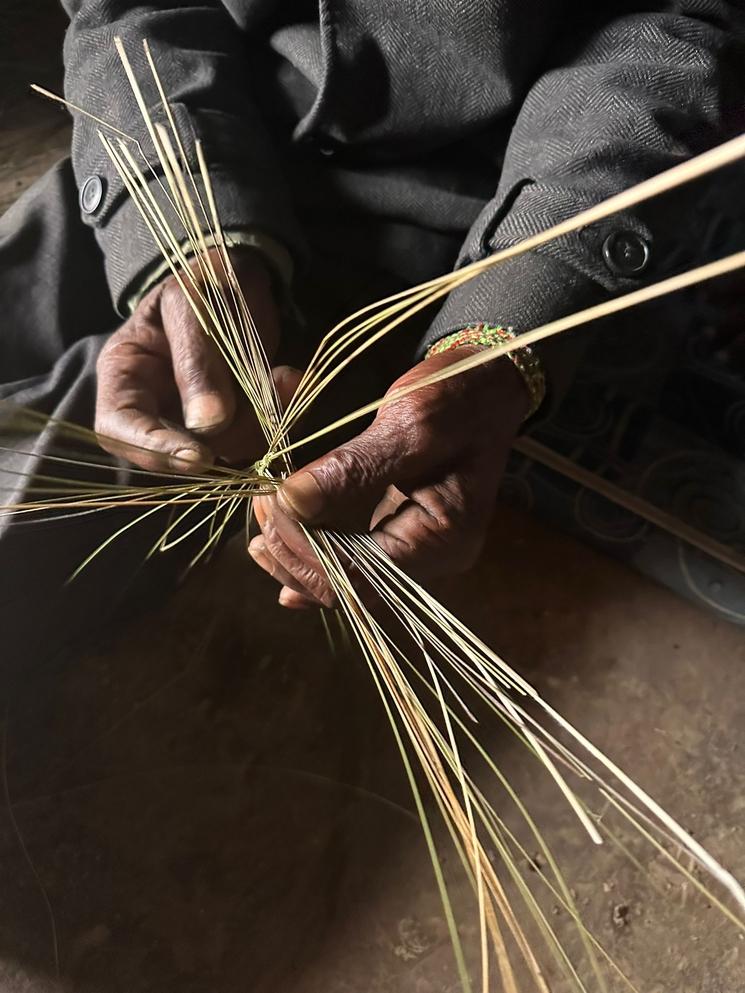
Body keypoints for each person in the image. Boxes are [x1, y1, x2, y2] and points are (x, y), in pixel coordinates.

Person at [2, 1, 745, 663]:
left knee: (36, 544)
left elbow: (674, 26)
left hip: (493, 181)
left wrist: (504, 336)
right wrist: (180, 227)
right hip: (195, 115)